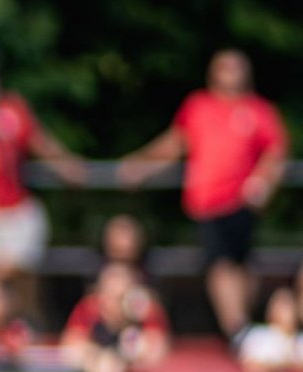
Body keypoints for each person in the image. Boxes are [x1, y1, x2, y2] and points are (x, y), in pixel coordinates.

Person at [121, 50, 289, 339]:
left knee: (241, 265)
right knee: (219, 266)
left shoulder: (258, 110)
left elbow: (276, 151)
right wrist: (141, 165)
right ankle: (238, 331)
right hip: (208, 203)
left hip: (243, 202)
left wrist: (263, 182)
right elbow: (175, 143)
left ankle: (242, 327)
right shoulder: (198, 106)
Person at [0, 56, 84, 279]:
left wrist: (68, 166)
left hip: (17, 210)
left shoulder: (12, 110)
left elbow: (40, 142)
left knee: (21, 274)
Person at [61, 262, 171, 372]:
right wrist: (97, 358)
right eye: (112, 297)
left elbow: (156, 350)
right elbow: (71, 347)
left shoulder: (146, 310)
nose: (117, 305)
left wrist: (128, 355)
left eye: (122, 296)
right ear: (101, 293)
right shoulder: (88, 309)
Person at [235, 288, 301, 372]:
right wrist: (277, 366)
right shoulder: (259, 335)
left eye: (287, 304)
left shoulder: (299, 340)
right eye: (278, 304)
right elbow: (252, 367)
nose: (282, 310)